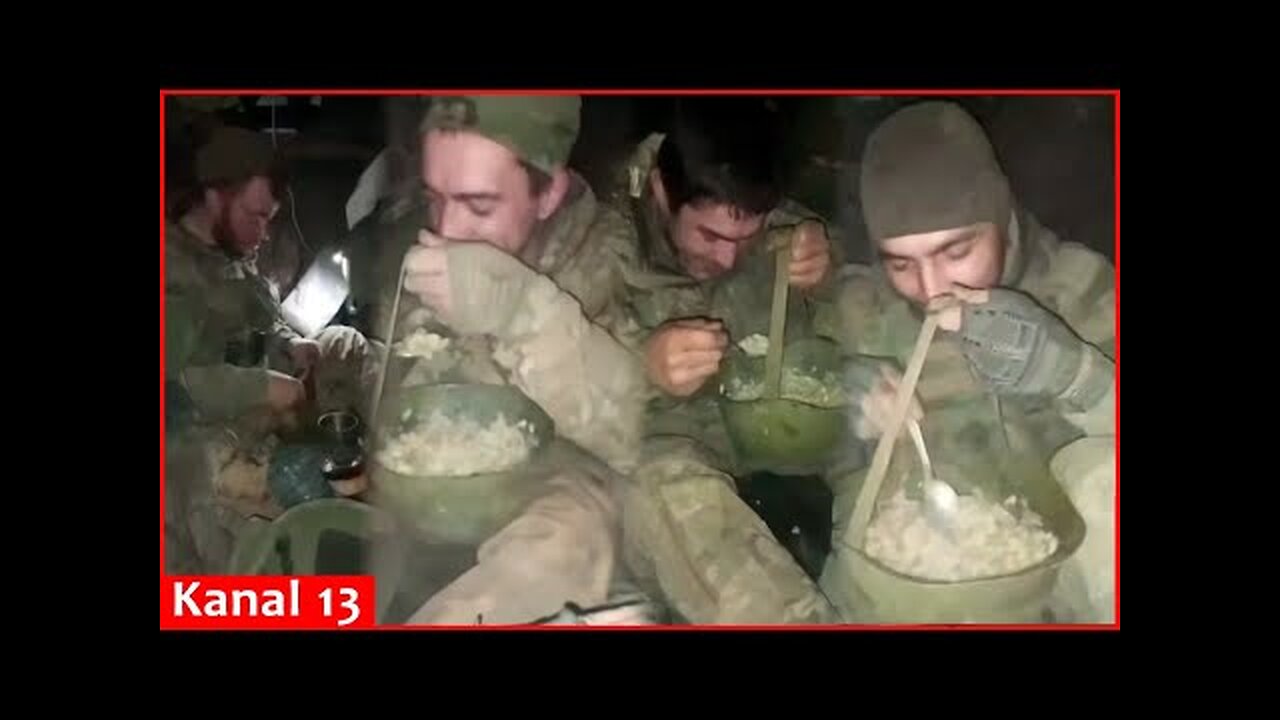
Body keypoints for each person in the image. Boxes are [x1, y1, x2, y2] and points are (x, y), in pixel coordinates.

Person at [820, 101, 1115, 622]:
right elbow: (827, 470)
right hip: (924, 565)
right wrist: (849, 413)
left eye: (956, 252)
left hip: (1063, 566)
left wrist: (1073, 374)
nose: (932, 289)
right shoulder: (863, 307)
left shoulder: (1080, 287)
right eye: (902, 264)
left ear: (1001, 219)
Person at [381, 95, 653, 625]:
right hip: (440, 491)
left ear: (549, 190)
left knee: (565, 538)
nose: (448, 230)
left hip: (560, 495)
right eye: (436, 199)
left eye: (480, 206)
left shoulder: (616, 259)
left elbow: (633, 430)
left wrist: (517, 306)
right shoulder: (433, 234)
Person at [607, 98, 847, 624]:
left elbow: (858, 295)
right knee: (667, 486)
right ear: (662, 192)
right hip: (670, 470)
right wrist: (638, 367)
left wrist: (829, 271)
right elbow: (553, 373)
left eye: (746, 238)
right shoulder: (600, 237)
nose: (728, 259)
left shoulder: (762, 211)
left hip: (783, 443)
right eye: (709, 236)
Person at [164, 126, 375, 573]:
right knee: (298, 482)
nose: (263, 232)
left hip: (271, 393)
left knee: (344, 342)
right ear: (216, 196)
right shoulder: (173, 265)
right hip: (205, 428)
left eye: (269, 219)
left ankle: (374, 450)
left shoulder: (232, 254)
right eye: (255, 215)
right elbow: (178, 379)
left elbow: (264, 319)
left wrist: (290, 344)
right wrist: (260, 387)